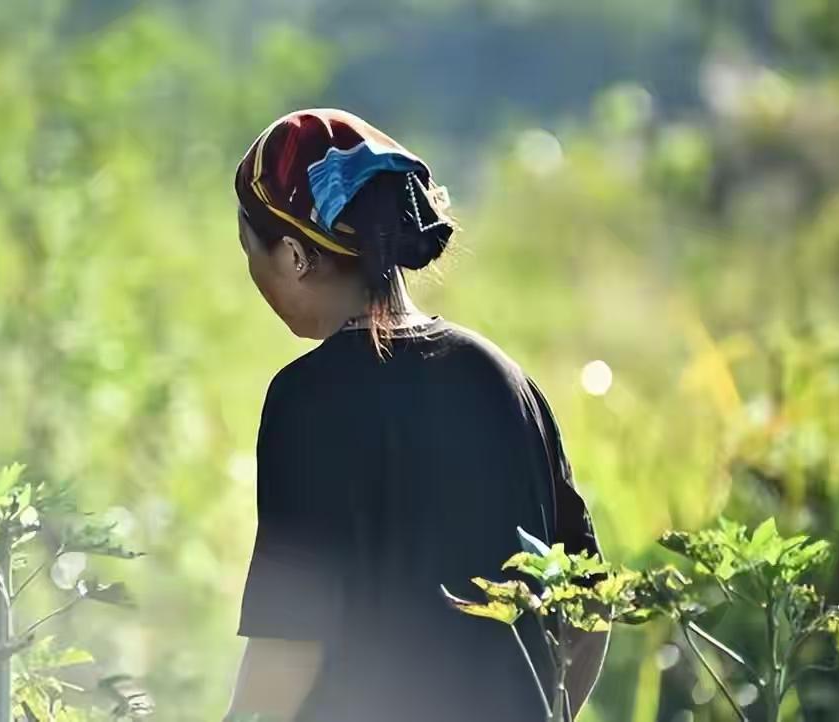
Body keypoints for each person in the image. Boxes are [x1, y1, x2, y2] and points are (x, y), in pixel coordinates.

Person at [226, 108, 607, 722]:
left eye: (251, 248)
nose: (252, 272)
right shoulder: (505, 379)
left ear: (295, 254)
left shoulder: (306, 400)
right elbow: (589, 607)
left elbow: (291, 642)